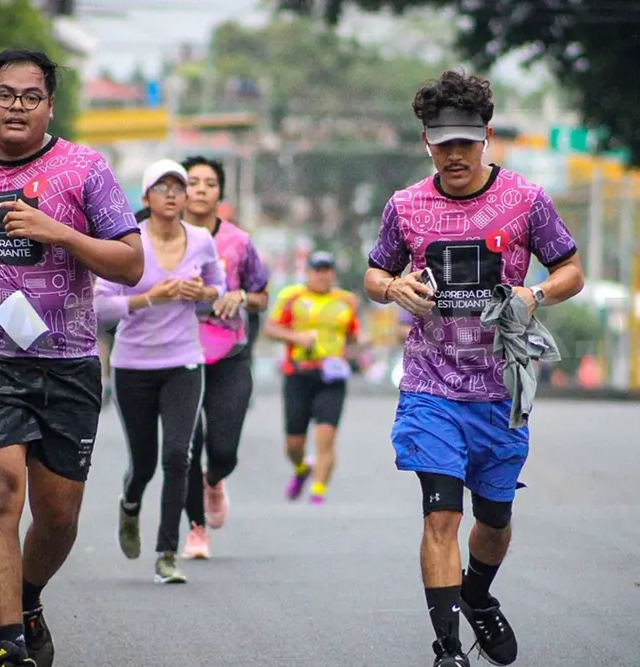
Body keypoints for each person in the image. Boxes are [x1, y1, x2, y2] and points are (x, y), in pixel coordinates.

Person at [0, 49, 143, 667]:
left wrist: (58, 232)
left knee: (58, 515)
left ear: (49, 107)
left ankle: (29, 596)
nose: (17, 107)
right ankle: (11, 643)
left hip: (65, 359)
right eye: (5, 95)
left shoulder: (85, 169)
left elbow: (131, 261)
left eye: (30, 97)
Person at [364, 70, 583, 667]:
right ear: (426, 142)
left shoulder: (526, 200)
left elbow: (570, 270)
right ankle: (448, 650)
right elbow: (374, 273)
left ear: (486, 136)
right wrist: (394, 288)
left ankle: (478, 594)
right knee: (440, 513)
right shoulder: (405, 206)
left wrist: (534, 295)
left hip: (500, 394)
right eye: (442, 141)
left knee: (494, 518)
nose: (455, 153)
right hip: (430, 388)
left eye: (466, 140)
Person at [95, 158, 225, 583]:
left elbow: (216, 294)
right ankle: (130, 504)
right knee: (145, 463)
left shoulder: (203, 240)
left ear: (187, 198)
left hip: (183, 361)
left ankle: (166, 553)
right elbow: (100, 307)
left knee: (178, 456)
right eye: (162, 187)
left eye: (178, 187)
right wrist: (151, 297)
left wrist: (201, 292)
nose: (171, 194)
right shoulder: (128, 244)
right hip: (132, 364)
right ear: (146, 197)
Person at [179, 155, 270, 559]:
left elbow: (261, 295)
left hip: (229, 354)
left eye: (209, 183)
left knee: (223, 448)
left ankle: (214, 479)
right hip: (177, 353)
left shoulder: (238, 241)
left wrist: (241, 297)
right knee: (185, 446)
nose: (200, 189)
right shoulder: (163, 239)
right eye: (192, 182)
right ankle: (196, 530)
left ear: (220, 193)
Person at [265, 250, 360, 505]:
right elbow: (270, 329)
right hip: (298, 374)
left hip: (331, 377)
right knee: (294, 444)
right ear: (308, 272)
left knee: (325, 436)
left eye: (327, 269)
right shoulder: (292, 297)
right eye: (317, 269)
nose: (322, 274)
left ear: (333, 273)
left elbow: (353, 337)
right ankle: (301, 469)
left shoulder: (346, 301)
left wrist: (359, 349)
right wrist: (297, 338)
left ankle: (318, 492)